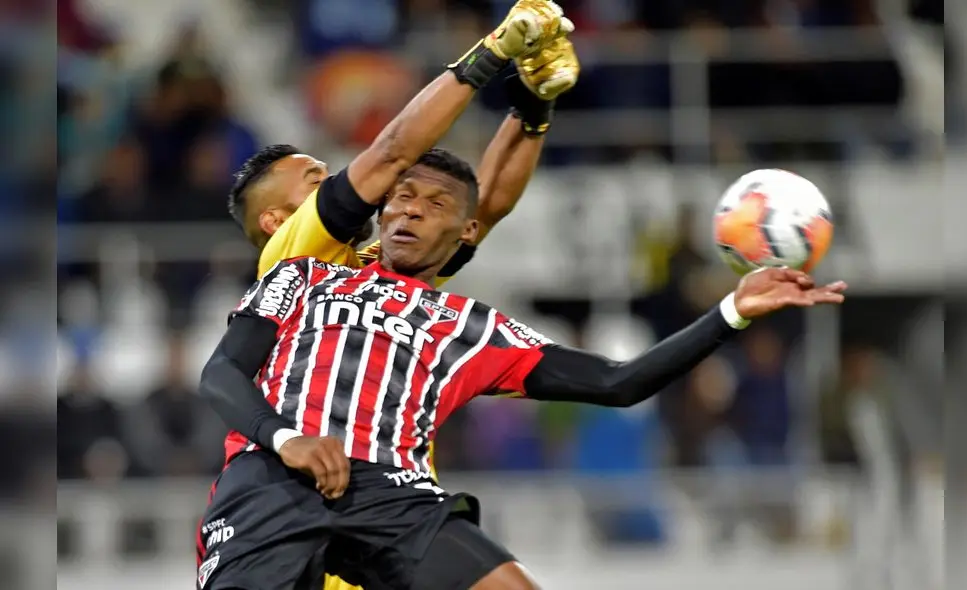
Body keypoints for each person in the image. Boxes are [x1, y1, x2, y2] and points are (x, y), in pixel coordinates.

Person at [197, 99, 847, 590]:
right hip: (273, 486)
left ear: (464, 230)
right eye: (398, 198)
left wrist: (732, 310)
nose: (405, 208)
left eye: (431, 203)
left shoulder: (470, 325)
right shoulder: (303, 268)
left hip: (387, 495)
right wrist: (492, 60)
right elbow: (222, 371)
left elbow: (617, 381)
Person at [211, 3, 580, 588]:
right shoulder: (292, 258)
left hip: (392, 529)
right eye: (317, 179)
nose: (343, 180)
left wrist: (535, 103)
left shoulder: (374, 273)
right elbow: (394, 150)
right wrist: (495, 52)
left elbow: (480, 211)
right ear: (280, 218)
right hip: (316, 532)